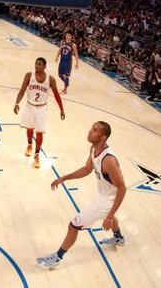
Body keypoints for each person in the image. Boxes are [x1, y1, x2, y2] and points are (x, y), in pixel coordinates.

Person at [36, 121, 127, 269]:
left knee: (74, 225)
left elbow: (122, 189)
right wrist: (64, 178)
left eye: (95, 130)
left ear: (103, 137)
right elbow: (86, 169)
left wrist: (110, 216)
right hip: (103, 194)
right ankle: (118, 238)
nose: (90, 131)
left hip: (108, 199)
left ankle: (57, 258)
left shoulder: (109, 160)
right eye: (91, 128)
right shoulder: (94, 148)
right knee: (105, 215)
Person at [14, 57, 65, 168]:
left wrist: (61, 109)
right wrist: (17, 103)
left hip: (42, 108)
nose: (37, 66)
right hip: (30, 106)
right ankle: (29, 145)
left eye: (40, 64)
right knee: (29, 128)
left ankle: (37, 155)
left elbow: (56, 95)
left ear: (45, 66)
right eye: (36, 63)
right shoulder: (29, 75)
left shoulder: (50, 79)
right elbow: (22, 90)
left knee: (40, 132)